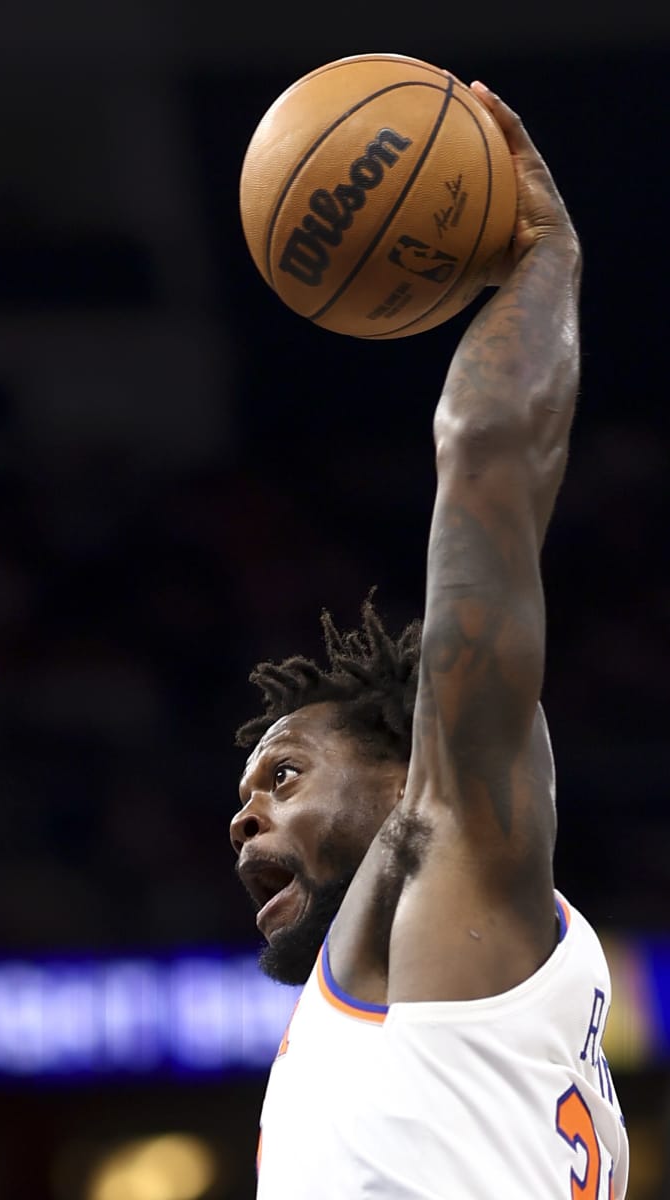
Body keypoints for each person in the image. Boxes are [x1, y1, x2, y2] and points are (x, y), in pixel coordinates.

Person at [231, 83, 627, 1198]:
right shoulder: (450, 997)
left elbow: (488, 462)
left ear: (412, 766)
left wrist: (544, 260)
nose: (242, 816)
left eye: (285, 773)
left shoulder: (451, 855)